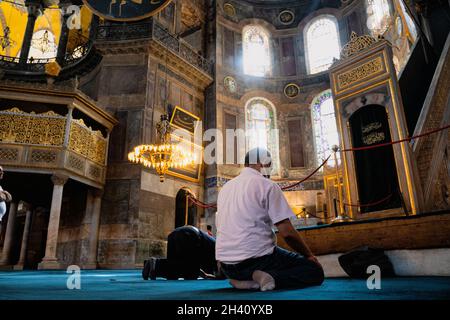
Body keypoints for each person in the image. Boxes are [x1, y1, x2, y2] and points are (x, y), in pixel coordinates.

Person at [216, 148, 324, 291]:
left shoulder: (225, 188)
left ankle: (246, 282)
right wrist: (309, 256)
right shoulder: (267, 185)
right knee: (314, 271)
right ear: (262, 163)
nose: (271, 170)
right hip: (257, 262)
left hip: (227, 267)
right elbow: (287, 233)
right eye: (270, 165)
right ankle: (268, 277)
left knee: (269, 255)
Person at [142, 225, 224, 280]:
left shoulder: (215, 246)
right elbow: (219, 265)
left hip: (177, 234)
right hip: (190, 235)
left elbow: (194, 264)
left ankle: (153, 266)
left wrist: (204, 274)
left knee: (173, 273)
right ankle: (156, 264)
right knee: (190, 274)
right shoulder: (220, 251)